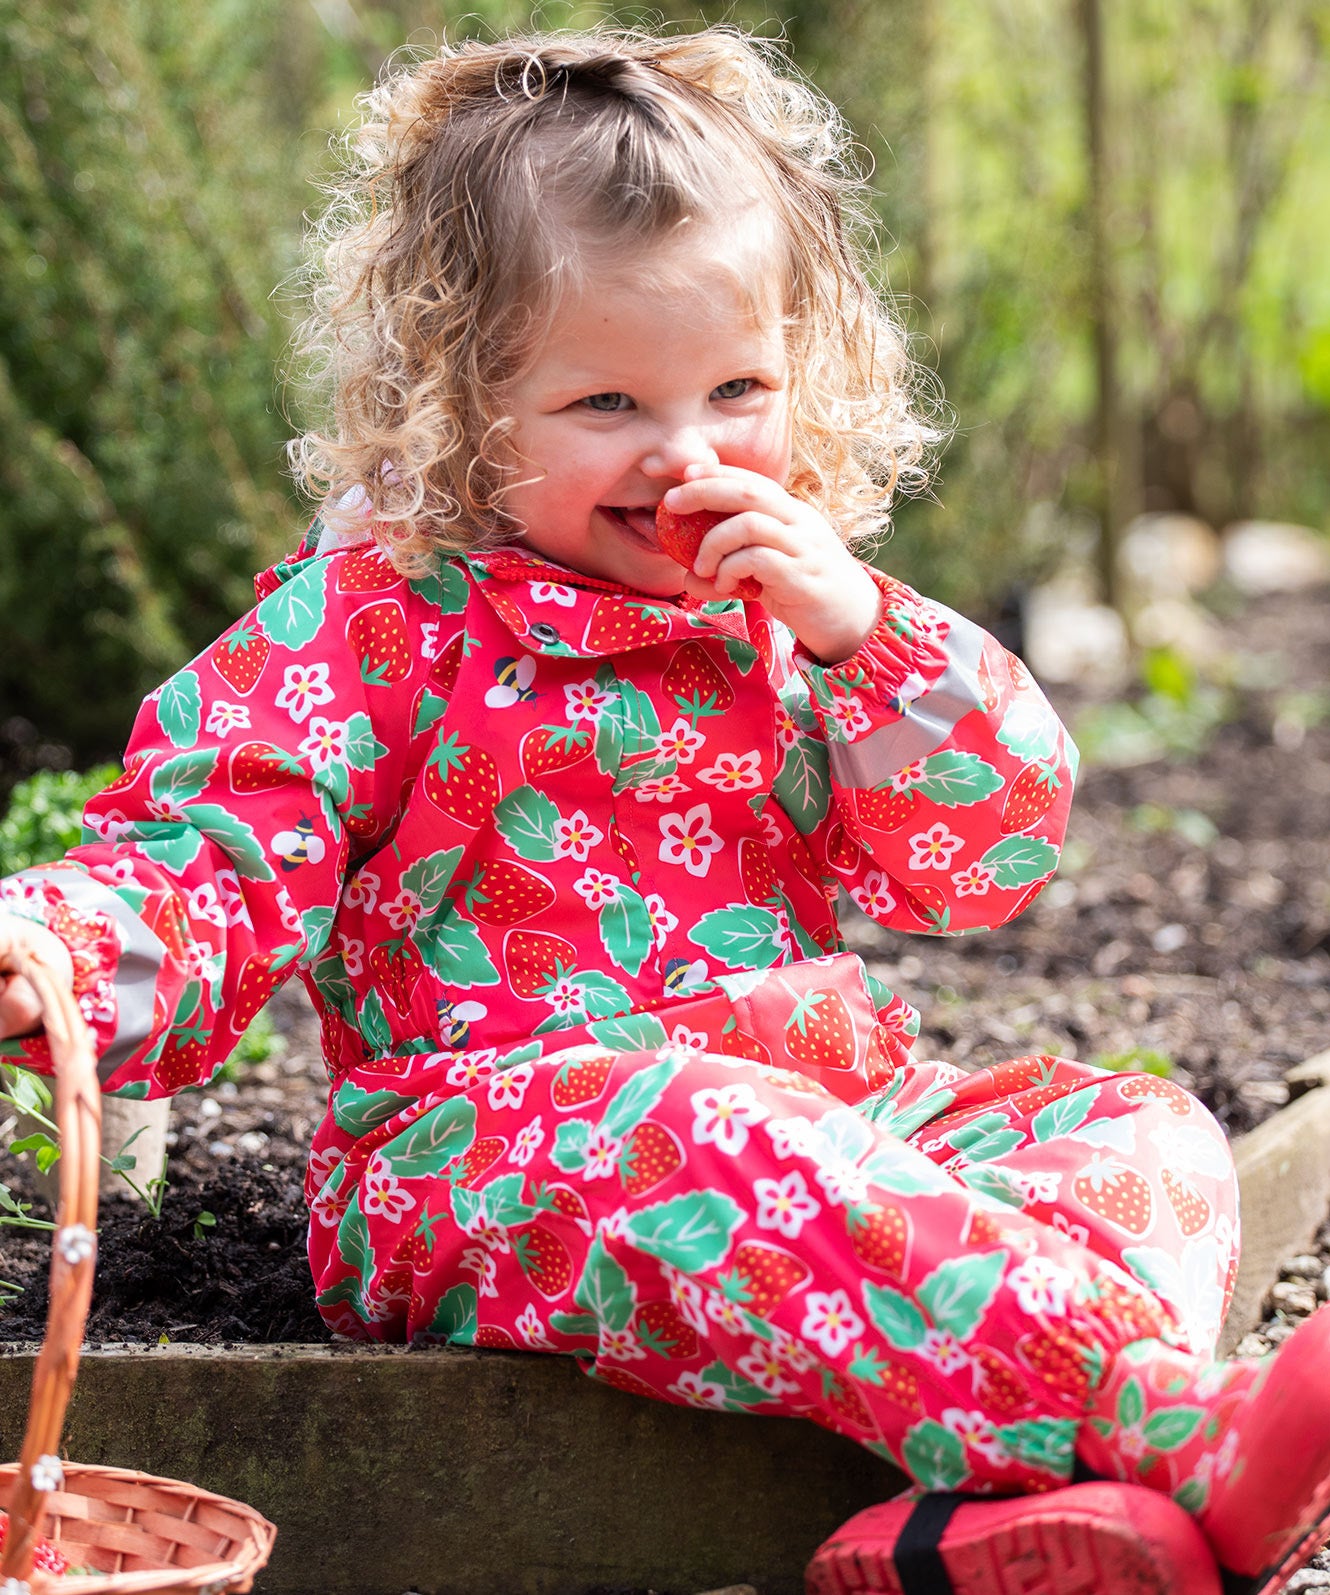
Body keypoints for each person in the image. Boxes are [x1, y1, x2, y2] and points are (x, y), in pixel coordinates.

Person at [0, 27, 1326, 1595]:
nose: (685, 453)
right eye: (608, 401)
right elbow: (211, 851)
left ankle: (983, 1523)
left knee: (1134, 1127)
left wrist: (860, 639)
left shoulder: (785, 610)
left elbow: (981, 856)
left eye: (739, 388)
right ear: (457, 402)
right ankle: (1171, 1431)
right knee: (705, 1136)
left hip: (828, 1113)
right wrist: (64, 953)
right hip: (496, 1144)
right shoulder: (377, 628)